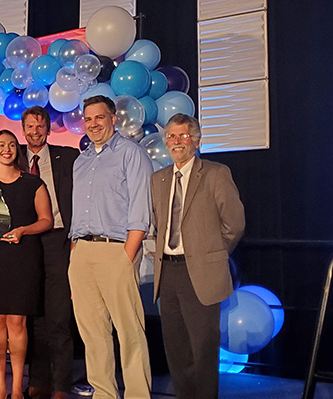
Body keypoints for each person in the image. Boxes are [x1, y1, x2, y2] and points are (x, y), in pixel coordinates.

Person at [151, 114, 245, 399]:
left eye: (183, 136)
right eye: (171, 136)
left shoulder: (216, 173)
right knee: (176, 351)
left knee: (203, 350)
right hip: (167, 273)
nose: (176, 142)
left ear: (196, 140)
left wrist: (212, 255)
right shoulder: (159, 179)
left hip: (201, 274)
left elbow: (235, 224)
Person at [68, 95, 153, 399]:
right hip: (83, 253)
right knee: (92, 333)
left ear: (113, 119)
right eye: (88, 119)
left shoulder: (132, 154)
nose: (92, 124)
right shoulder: (82, 161)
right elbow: (79, 213)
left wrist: (126, 255)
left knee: (129, 331)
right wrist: (75, 253)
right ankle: (104, 393)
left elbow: (141, 210)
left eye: (99, 117)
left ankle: (138, 395)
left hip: (117, 249)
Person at [0, 130, 52, 399]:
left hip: (23, 257)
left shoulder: (33, 184)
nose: (6, 149)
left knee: (17, 323)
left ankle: (17, 388)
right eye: (0, 145)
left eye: (10, 145)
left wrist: (23, 231)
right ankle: (0, 388)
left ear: (17, 150)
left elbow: (46, 220)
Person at [17, 106, 78, 399]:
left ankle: (61, 386)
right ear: (23, 129)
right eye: (30, 126)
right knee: (33, 317)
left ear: (48, 128)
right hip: (26, 243)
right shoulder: (13, 156)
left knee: (58, 316)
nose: (35, 131)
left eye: (40, 126)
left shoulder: (67, 156)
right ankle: (37, 381)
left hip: (58, 241)